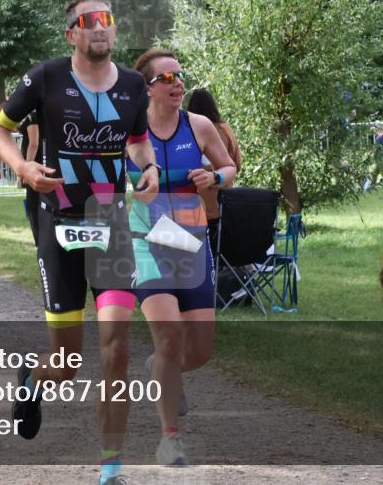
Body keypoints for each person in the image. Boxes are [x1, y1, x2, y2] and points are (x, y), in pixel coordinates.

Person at [0, 0, 160, 485]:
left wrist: (146, 168)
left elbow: (137, 140)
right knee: (65, 363)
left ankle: (110, 468)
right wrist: (22, 166)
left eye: (107, 18)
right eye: (89, 21)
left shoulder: (132, 84)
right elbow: (0, 130)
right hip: (58, 223)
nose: (101, 27)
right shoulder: (45, 77)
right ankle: (31, 381)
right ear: (72, 34)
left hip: (110, 222)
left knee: (116, 346)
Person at [129, 49, 237, 466]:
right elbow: (108, 188)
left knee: (200, 351)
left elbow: (230, 167)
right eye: (168, 77)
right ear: (148, 88)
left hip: (192, 243)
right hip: (147, 243)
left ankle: (160, 367)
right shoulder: (129, 133)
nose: (177, 84)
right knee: (170, 337)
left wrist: (214, 176)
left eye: (180, 76)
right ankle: (169, 438)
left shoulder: (199, 125)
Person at [185, 87, 242, 261]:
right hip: (224, 203)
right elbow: (236, 164)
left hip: (194, 205)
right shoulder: (225, 129)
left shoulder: (187, 131)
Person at [18, 110, 40, 243]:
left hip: (35, 165)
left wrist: (27, 167)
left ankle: (39, 239)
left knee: (33, 204)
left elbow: (34, 143)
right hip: (39, 163)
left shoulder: (32, 116)